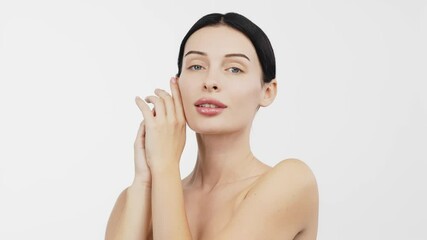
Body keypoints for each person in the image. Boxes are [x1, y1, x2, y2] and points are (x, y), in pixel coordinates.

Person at [105, 12, 318, 240]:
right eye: (196, 66)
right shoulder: (135, 197)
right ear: (177, 85)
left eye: (234, 69)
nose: (210, 82)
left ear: (267, 92)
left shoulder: (291, 183)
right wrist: (145, 182)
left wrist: (166, 165)